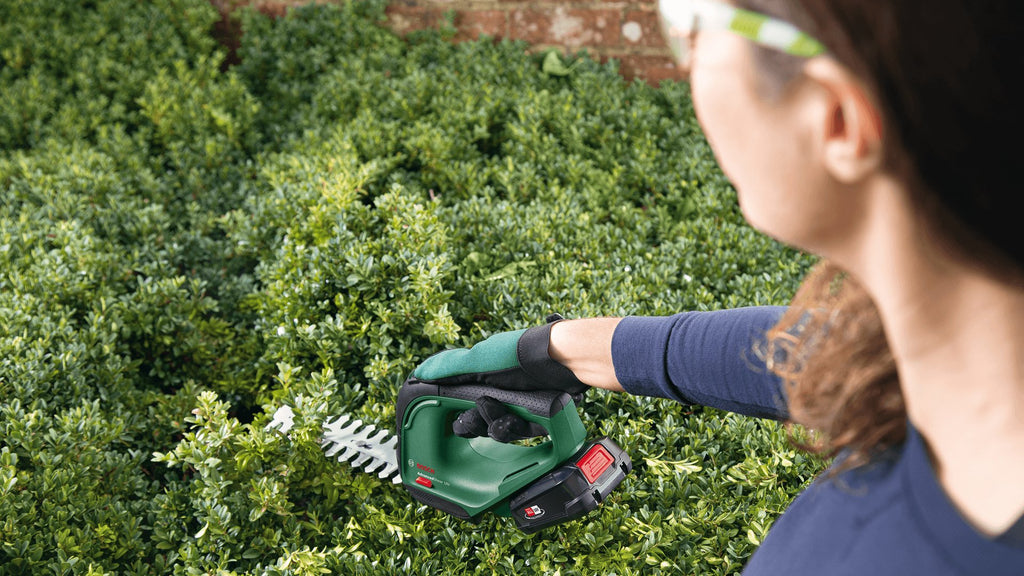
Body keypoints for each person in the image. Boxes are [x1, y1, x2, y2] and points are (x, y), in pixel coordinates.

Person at [408, 0, 1024, 573]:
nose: (686, 63)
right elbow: (814, 349)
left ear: (837, 118)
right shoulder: (955, 355)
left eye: (693, 27)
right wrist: (565, 352)